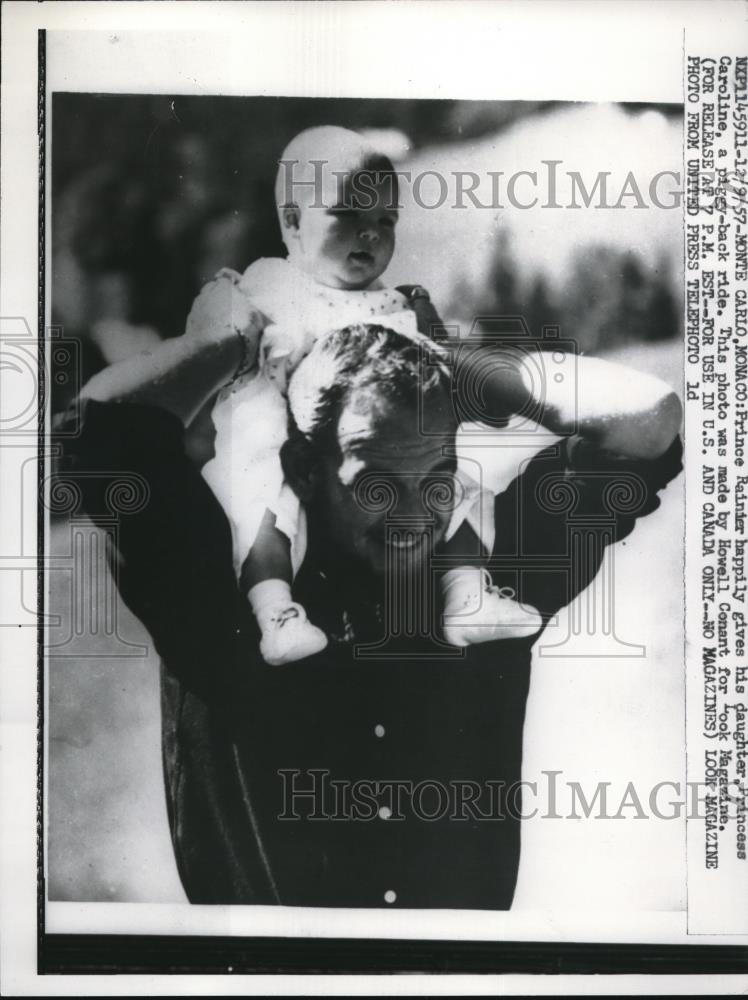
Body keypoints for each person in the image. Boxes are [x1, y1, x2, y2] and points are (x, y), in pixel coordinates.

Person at [58, 275, 683, 908]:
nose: (414, 518)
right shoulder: (225, 600)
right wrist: (235, 343)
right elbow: (98, 430)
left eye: (436, 481)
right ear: (303, 469)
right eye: (375, 484)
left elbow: (650, 420)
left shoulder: (488, 590)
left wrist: (455, 365)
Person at [201, 125, 541, 666]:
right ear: (292, 222)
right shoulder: (266, 285)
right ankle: (276, 609)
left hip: (375, 446)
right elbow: (230, 348)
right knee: (262, 493)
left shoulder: (391, 306)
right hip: (279, 422)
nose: (371, 234)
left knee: (466, 465)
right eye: (349, 215)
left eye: (385, 221)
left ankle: (466, 593)